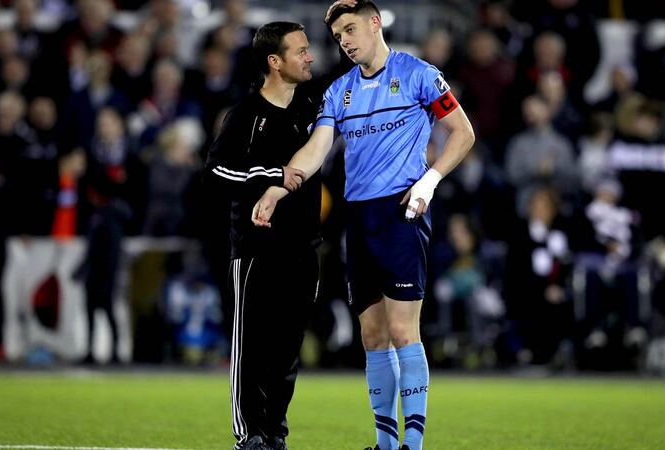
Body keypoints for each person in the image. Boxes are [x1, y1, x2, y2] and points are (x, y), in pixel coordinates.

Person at [252, 2, 475, 449]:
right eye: (338, 37)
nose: (346, 41)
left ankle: (412, 445)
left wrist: (429, 182)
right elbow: (316, 149)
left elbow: (463, 132)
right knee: (372, 335)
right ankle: (386, 444)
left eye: (351, 30)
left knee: (401, 330)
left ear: (375, 23)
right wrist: (279, 185)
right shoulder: (340, 92)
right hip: (359, 217)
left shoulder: (418, 74)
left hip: (401, 212)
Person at [202, 17, 351, 450]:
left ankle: (275, 433)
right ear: (274, 61)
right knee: (251, 349)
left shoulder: (312, 106)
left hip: (304, 248)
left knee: (287, 353)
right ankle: (248, 435)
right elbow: (214, 173)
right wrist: (271, 175)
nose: (310, 56)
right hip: (255, 249)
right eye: (300, 51)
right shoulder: (246, 114)